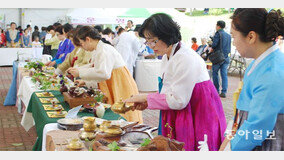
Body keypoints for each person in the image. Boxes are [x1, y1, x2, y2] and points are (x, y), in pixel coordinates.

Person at [125, 13, 227, 151]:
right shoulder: (168, 55)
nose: (150, 45)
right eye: (147, 41)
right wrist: (148, 101)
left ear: (166, 35)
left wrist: (145, 97)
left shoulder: (185, 58)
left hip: (197, 110)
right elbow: (169, 90)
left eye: (153, 41)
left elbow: (178, 100)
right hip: (184, 106)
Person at [228, 8, 284, 151]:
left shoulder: (271, 73)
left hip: (263, 142)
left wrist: (231, 146)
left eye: (234, 37)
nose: (233, 43)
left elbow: (258, 126)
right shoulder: (260, 62)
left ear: (251, 37)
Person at [66, 26, 143, 124]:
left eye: (82, 44)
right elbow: (95, 67)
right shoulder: (99, 49)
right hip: (114, 83)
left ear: (88, 39)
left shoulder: (104, 49)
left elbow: (103, 73)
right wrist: (82, 77)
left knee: (123, 116)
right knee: (115, 116)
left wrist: (79, 72)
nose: (83, 48)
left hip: (120, 85)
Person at [211, 20, 231, 98]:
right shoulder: (228, 35)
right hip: (226, 57)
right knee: (224, 74)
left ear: (218, 26)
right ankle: (224, 91)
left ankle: (216, 90)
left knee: (215, 73)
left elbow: (214, 45)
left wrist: (211, 44)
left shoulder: (218, 33)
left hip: (218, 57)